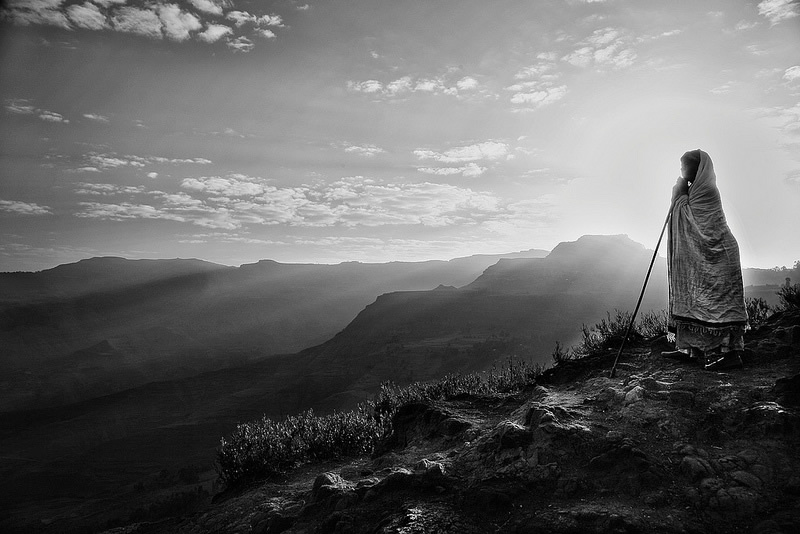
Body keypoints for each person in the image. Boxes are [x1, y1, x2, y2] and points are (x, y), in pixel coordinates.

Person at [661, 149, 747, 370]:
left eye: (685, 167)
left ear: (698, 169)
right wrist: (680, 194)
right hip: (701, 257)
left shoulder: (706, 190)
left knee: (717, 306)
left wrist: (678, 196)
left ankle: (730, 355)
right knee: (693, 299)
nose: (681, 171)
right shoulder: (695, 190)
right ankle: (690, 349)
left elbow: (694, 221)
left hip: (718, 255)